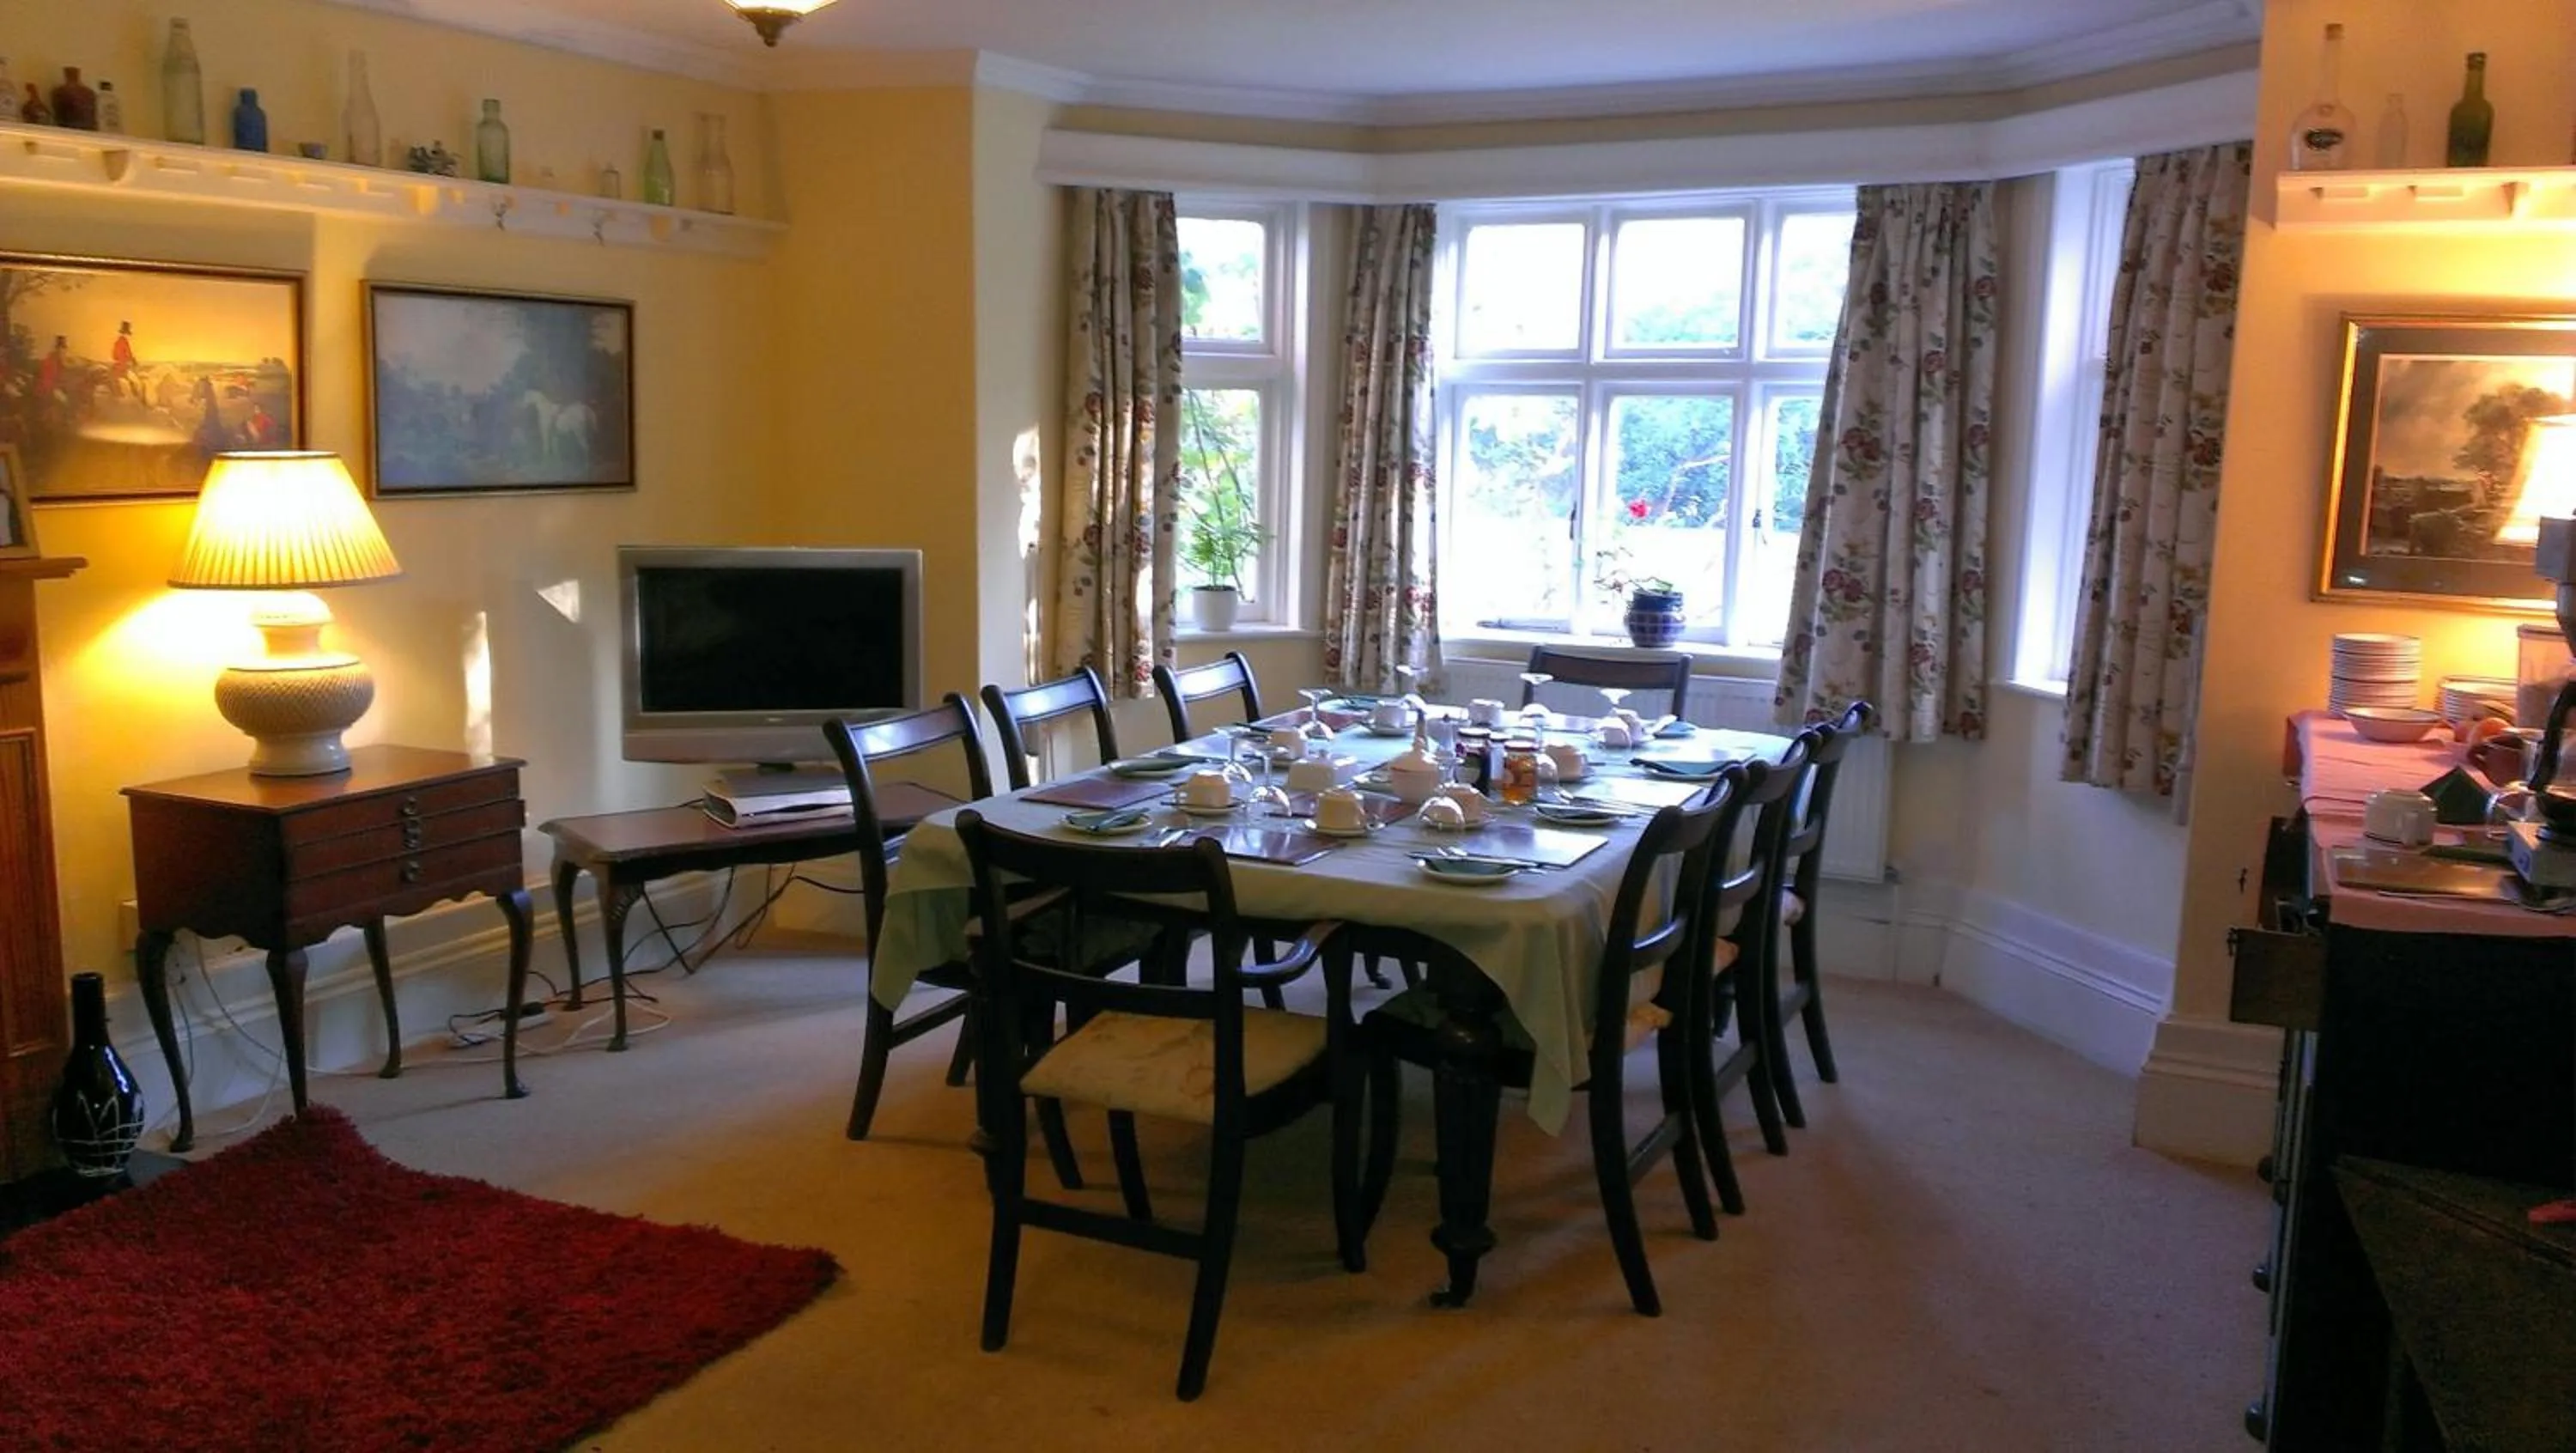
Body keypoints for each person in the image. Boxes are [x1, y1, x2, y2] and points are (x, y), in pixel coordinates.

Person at [109, 321, 139, 401]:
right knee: (133, 383)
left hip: (117, 365)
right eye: (127, 333)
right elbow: (129, 354)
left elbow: (114, 356)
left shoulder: (117, 342)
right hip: (123, 366)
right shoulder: (124, 342)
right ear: (126, 333)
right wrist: (133, 361)